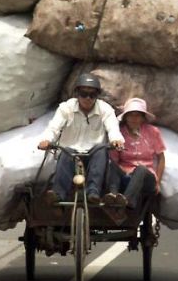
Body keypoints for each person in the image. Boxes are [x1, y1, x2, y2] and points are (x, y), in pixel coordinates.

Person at [38, 74, 125, 204]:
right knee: (67, 151)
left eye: (92, 95)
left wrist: (116, 140)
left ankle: (93, 192)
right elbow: (53, 128)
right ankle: (58, 193)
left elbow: (113, 129)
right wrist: (46, 140)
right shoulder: (66, 108)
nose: (88, 98)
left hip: (94, 155)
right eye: (84, 94)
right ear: (77, 94)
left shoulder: (105, 109)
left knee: (101, 150)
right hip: (69, 154)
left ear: (97, 96)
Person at [105, 98, 166, 209]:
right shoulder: (119, 133)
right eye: (131, 115)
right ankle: (113, 196)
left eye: (138, 115)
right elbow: (114, 159)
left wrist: (158, 181)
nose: (134, 119)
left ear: (143, 117)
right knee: (110, 164)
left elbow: (161, 158)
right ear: (126, 117)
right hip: (126, 174)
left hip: (146, 177)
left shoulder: (152, 132)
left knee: (141, 169)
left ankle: (127, 201)